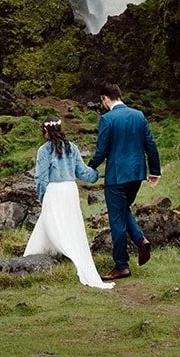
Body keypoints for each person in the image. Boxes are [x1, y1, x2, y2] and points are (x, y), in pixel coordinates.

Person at [23, 118, 114, 291]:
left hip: (54, 190)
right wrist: (96, 174)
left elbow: (40, 177)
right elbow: (82, 172)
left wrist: (42, 196)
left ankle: (57, 252)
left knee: (52, 221)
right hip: (70, 189)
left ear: (45, 132)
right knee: (71, 223)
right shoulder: (71, 147)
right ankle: (66, 252)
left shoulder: (44, 150)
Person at [88, 81, 161, 281]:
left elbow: (101, 151)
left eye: (102, 100)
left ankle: (121, 265)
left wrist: (89, 167)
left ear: (105, 99)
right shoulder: (138, 115)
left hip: (117, 177)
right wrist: (155, 171)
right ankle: (140, 240)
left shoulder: (107, 119)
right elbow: (150, 144)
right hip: (137, 175)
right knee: (123, 210)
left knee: (117, 218)